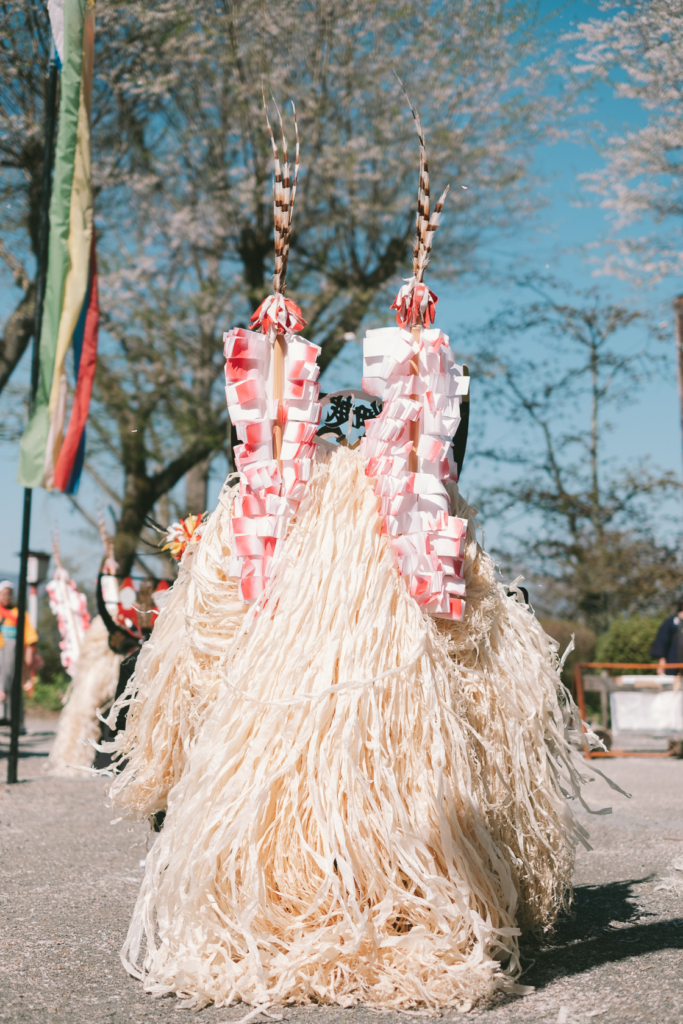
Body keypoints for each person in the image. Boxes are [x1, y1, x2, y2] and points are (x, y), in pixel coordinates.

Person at [0, 581, 38, 729]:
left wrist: (29, 654)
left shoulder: (20, 613)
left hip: (14, 654)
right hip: (1, 653)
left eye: (9, 594)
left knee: (15, 686)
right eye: (4, 594)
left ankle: (17, 722)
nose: (7, 597)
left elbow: (29, 635)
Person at [652, 601, 683, 675]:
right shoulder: (671, 622)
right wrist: (661, 661)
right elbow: (662, 641)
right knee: (672, 684)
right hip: (672, 661)